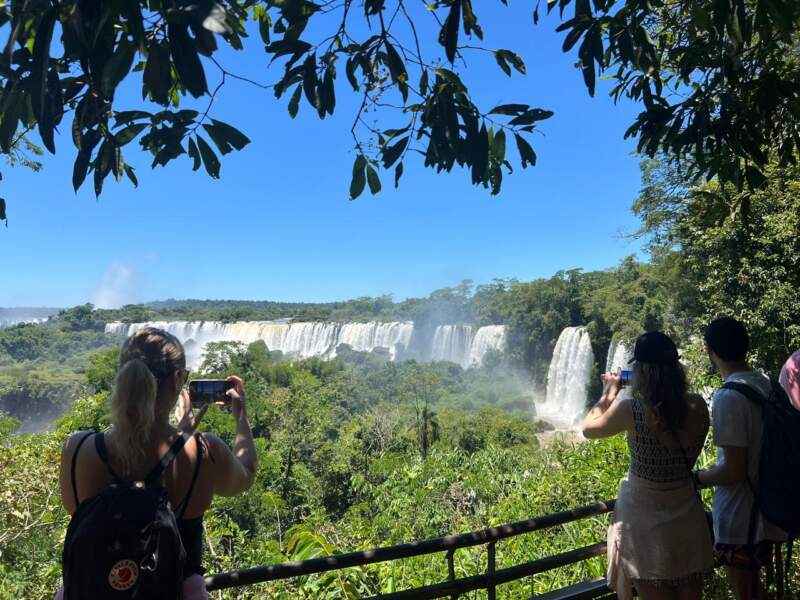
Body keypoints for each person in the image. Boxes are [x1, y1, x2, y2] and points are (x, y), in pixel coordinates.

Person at [57, 327, 257, 599]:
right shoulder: (202, 452)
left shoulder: (77, 448)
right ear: (177, 380)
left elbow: (80, 513)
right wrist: (240, 417)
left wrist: (181, 433)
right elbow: (245, 476)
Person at [582, 331, 713, 600]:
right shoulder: (698, 405)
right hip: (687, 515)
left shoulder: (632, 409)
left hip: (643, 520)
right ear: (676, 369)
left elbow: (588, 429)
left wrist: (608, 394)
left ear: (640, 371)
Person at [694, 317, 786, 600]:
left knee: (746, 592)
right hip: (770, 505)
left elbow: (733, 470)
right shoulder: (766, 382)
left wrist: (696, 478)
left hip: (741, 516)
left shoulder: (728, 396)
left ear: (709, 350)